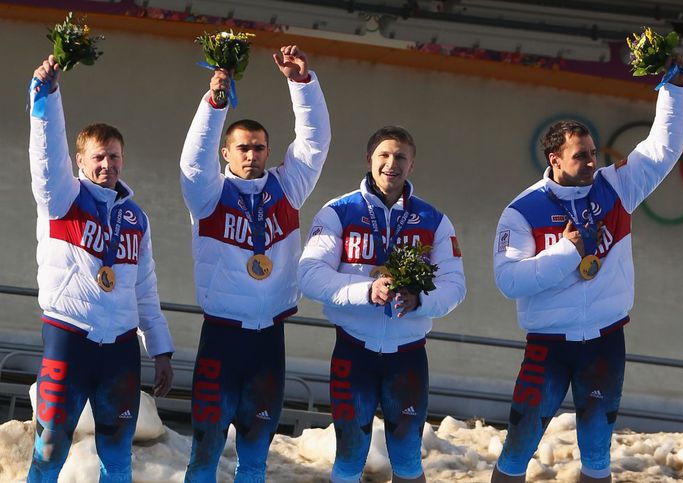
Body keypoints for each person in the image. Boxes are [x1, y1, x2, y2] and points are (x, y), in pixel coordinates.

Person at [491, 56, 683, 483]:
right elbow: (510, 282)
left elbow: (663, 150)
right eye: (580, 156)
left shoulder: (615, 187)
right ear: (555, 159)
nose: (590, 162)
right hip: (547, 346)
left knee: (598, 454)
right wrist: (566, 252)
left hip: (605, 343)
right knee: (518, 447)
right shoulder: (522, 210)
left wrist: (676, 90)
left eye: (592, 154)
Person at [179, 45, 330, 482]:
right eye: (242, 148)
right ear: (226, 154)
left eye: (260, 148)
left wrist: (302, 83)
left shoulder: (288, 187)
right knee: (204, 453)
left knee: (255, 457)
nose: (252, 155)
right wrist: (214, 105)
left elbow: (315, 143)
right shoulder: (207, 195)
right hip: (221, 341)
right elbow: (192, 162)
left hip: (270, 342)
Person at [27, 55, 175, 482]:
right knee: (50, 446)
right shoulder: (62, 199)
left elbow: (144, 288)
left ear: (123, 160)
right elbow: (46, 156)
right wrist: (48, 97)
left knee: (117, 454)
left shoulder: (136, 219)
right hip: (68, 339)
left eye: (113, 156)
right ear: (80, 161)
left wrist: (160, 349)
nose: (106, 164)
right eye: (98, 157)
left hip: (121, 351)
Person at [298, 126, 466, 483]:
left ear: (412, 164)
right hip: (353, 353)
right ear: (369, 160)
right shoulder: (338, 212)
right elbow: (309, 275)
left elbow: (455, 286)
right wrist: (365, 291)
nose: (392, 164)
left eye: (401, 157)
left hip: (407, 357)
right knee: (349, 457)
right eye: (384, 156)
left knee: (407, 460)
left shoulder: (434, 220)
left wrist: (421, 300)